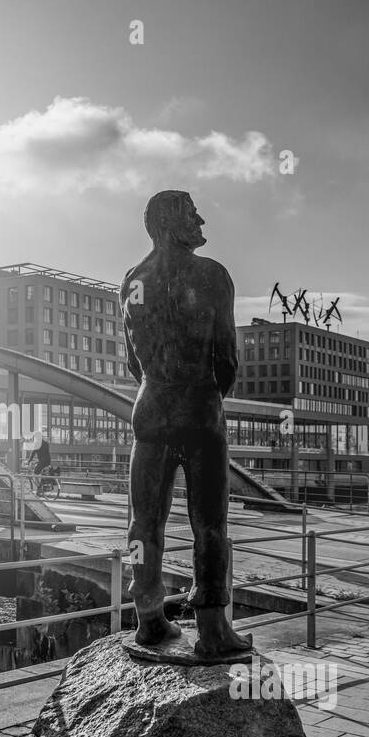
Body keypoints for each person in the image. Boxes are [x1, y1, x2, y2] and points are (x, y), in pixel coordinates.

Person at [122, 190, 251, 659]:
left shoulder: (133, 281)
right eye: (191, 212)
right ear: (170, 221)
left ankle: (149, 620)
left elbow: (132, 363)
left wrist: (159, 384)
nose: (201, 219)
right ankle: (213, 629)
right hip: (199, 409)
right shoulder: (212, 276)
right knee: (210, 523)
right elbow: (226, 358)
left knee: (144, 522)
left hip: (150, 407)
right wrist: (207, 393)